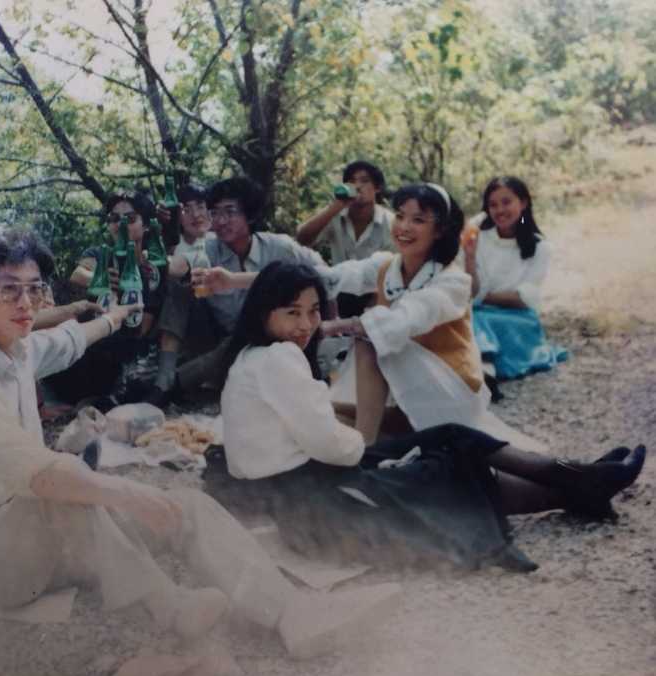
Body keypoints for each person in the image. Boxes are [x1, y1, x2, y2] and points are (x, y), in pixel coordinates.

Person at [0, 228, 401, 659]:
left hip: (52, 549)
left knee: (184, 507)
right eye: (10, 290)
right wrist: (128, 491)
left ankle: (293, 613)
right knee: (65, 492)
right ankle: (170, 608)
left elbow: (70, 339)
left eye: (35, 289)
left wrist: (116, 317)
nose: (27, 303)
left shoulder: (17, 348)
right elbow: (37, 474)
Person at [210, 261, 646, 572]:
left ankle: (579, 482)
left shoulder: (250, 357)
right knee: (440, 464)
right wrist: (362, 446)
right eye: (292, 313)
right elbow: (335, 448)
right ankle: (579, 483)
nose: (306, 324)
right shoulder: (278, 358)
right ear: (263, 313)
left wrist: (356, 447)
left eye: (312, 311)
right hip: (320, 506)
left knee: (449, 437)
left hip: (302, 504)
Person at [321, 183, 532, 446]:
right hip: (406, 392)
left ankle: (365, 450)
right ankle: (377, 443)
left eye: (418, 220)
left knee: (369, 339)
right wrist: (279, 277)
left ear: (440, 230)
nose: (404, 227)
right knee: (330, 415)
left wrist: (330, 328)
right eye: (400, 216)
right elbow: (332, 278)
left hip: (449, 394)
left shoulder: (453, 281)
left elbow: (403, 320)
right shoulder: (385, 266)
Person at [146, 176, 325, 406]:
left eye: (230, 212)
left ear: (249, 215)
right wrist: (152, 260)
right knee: (178, 286)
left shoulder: (280, 248)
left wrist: (330, 320)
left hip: (267, 346)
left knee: (238, 342)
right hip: (214, 342)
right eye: (215, 212)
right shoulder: (208, 248)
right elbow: (179, 265)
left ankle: (163, 385)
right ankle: (164, 376)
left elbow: (324, 276)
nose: (221, 221)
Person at [47, 190, 163, 408]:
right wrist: (100, 280)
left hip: (121, 355)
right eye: (114, 218)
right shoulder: (100, 254)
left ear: (147, 225)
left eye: (130, 218)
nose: (121, 224)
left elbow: (141, 328)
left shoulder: (153, 269)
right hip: (87, 347)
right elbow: (77, 274)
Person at [463, 176, 567, 379]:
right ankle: (484, 372)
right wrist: (469, 256)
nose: (500, 210)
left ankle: (485, 372)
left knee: (477, 320)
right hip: (480, 313)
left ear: (523, 202)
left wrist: (482, 297)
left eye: (506, 202)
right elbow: (470, 289)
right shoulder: (479, 239)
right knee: (466, 319)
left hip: (517, 319)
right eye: (493, 205)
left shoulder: (541, 248)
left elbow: (523, 299)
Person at [296, 160, 395, 318]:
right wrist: (335, 207)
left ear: (377, 188)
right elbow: (302, 239)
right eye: (352, 181)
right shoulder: (335, 214)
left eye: (364, 181)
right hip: (336, 293)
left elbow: (393, 273)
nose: (357, 186)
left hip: (375, 294)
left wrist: (371, 314)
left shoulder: (390, 223)